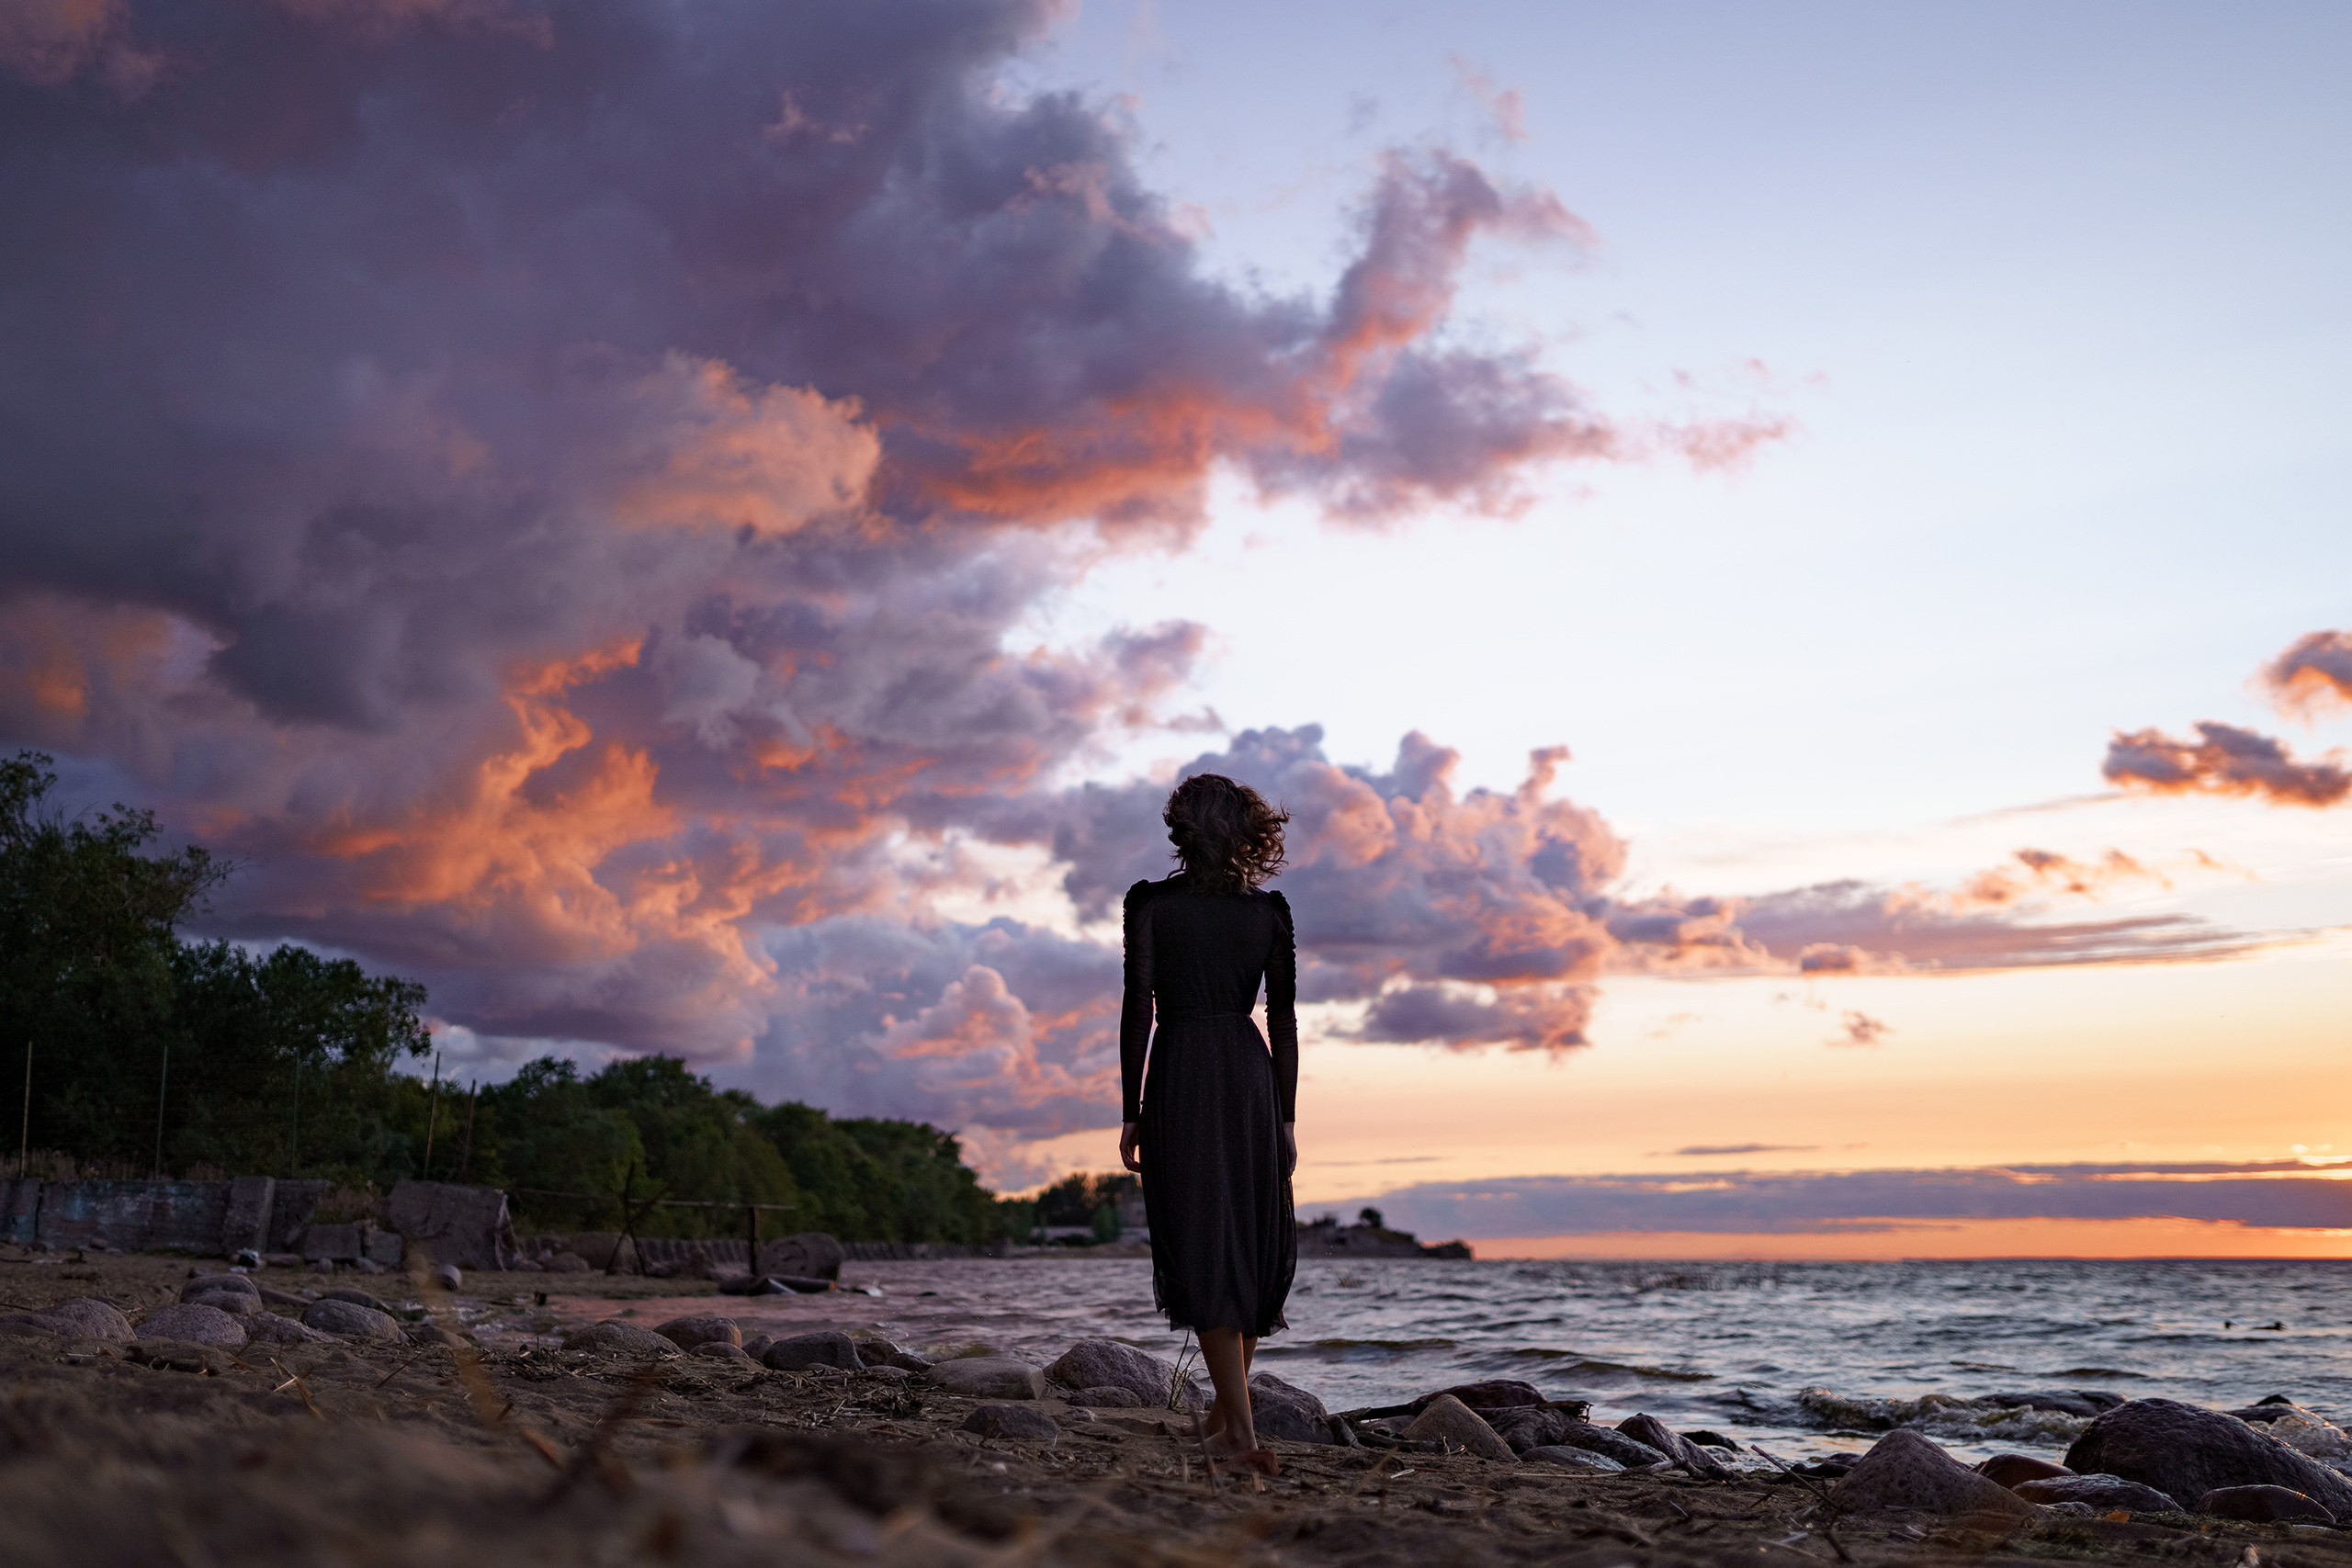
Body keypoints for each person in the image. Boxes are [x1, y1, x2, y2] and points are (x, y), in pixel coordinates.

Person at [1117, 773, 1297, 1476]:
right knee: (1245, 1241)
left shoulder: (1152, 906)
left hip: (1184, 1068)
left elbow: (1138, 1009)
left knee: (1205, 1239)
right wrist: (1284, 1117)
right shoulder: (1269, 914)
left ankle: (1239, 1434)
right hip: (1249, 1075)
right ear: (1246, 829)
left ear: (1183, 828)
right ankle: (1226, 1415)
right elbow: (1279, 1021)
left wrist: (1129, 1110)